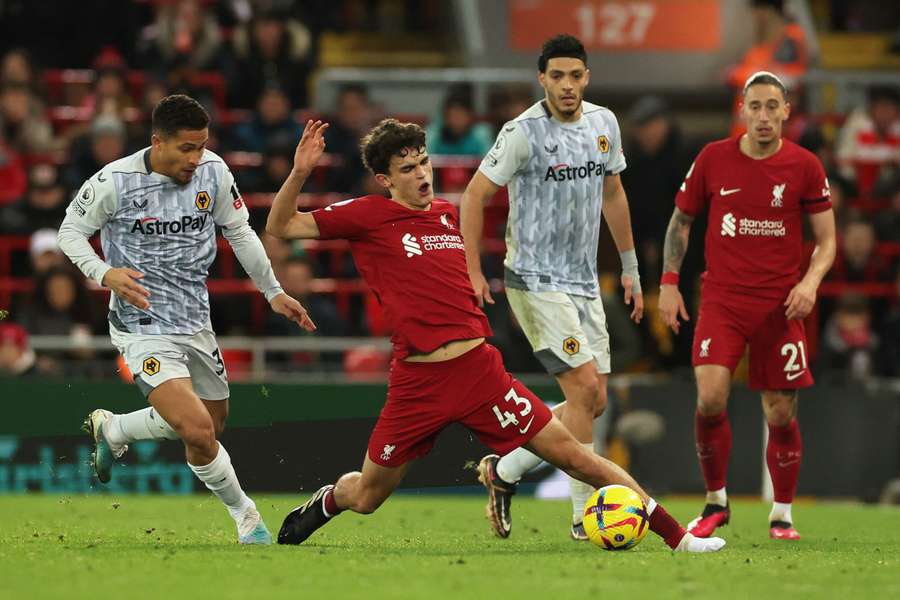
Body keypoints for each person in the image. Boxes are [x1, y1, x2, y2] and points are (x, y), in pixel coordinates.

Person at [266, 118, 723, 553]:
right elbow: (281, 226)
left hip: (479, 373)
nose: (422, 174)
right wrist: (300, 172)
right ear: (385, 180)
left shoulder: (447, 215)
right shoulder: (367, 216)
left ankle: (679, 537)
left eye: (424, 161)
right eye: (408, 169)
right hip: (417, 383)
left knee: (578, 458)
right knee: (367, 496)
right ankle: (327, 501)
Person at [57, 94, 314, 544]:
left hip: (196, 321)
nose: (197, 158)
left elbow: (239, 232)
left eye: (202, 146)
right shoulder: (114, 181)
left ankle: (115, 427)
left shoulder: (214, 172)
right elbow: (70, 232)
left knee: (209, 428)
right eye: (187, 148)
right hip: (142, 326)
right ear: (158, 142)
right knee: (195, 428)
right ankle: (248, 518)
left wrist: (272, 290)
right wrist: (105, 273)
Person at [459, 34, 643, 540]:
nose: (567, 85)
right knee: (583, 390)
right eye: (557, 76)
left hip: (584, 280)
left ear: (587, 77)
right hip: (534, 280)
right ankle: (586, 517)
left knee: (594, 400)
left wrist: (629, 266)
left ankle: (505, 469)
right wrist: (473, 270)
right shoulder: (522, 132)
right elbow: (474, 197)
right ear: (541, 79)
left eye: (575, 75)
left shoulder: (604, 124)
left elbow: (613, 192)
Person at [656, 71, 836, 541]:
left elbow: (828, 239)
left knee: (780, 411)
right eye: (754, 106)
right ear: (742, 109)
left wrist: (811, 282)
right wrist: (669, 283)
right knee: (711, 396)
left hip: (781, 306)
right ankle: (716, 502)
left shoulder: (805, 166)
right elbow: (681, 221)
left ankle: (782, 514)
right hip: (722, 299)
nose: (763, 116)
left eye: (772, 106)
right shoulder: (713, 158)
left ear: (786, 112)